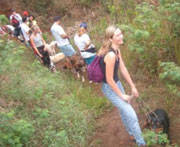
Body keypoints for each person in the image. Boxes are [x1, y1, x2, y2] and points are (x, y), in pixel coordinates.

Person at [98, 25, 146, 146]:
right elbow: (109, 79)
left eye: (121, 33)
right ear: (110, 39)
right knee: (132, 115)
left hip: (117, 84)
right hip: (110, 88)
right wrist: (122, 95)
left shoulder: (117, 50)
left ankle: (131, 133)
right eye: (118, 35)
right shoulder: (111, 55)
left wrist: (133, 86)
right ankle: (141, 143)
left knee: (124, 111)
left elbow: (123, 69)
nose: (121, 36)